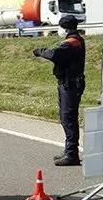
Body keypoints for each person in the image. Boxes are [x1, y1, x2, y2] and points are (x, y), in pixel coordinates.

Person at [33, 15, 85, 166]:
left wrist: (40, 51)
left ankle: (72, 154)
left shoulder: (73, 42)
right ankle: (69, 150)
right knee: (65, 117)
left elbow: (55, 54)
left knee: (68, 118)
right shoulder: (73, 40)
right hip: (66, 83)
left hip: (71, 85)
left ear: (65, 28)